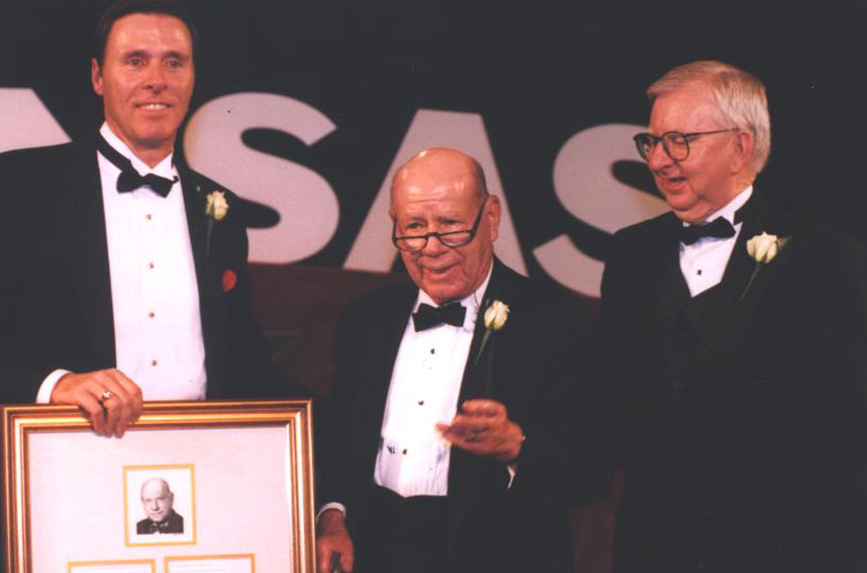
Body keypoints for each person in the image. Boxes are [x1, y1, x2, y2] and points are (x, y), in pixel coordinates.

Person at [601, 60, 867, 573]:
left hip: (778, 548)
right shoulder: (630, 254)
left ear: (740, 147)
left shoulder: (827, 258)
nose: (659, 160)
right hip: (652, 547)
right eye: (652, 142)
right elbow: (612, 398)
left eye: (679, 141)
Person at [0, 0, 285, 437]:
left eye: (174, 63)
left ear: (193, 78)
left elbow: (244, 358)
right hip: (66, 457)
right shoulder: (18, 185)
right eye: (135, 61)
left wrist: (325, 471)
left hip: (200, 457)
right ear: (98, 76)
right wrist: (55, 384)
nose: (156, 81)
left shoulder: (219, 207)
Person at [316, 148, 606, 573]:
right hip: (375, 553)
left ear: (490, 218)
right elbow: (339, 440)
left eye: (450, 225)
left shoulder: (558, 323)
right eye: (414, 228)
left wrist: (515, 447)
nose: (431, 248)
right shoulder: (365, 320)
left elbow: (592, 471)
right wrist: (332, 516)